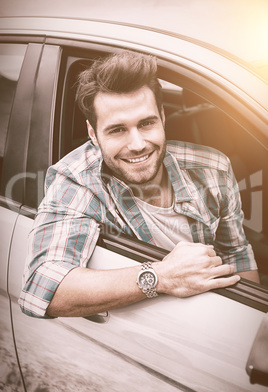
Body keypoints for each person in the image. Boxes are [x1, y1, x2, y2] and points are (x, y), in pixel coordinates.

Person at [19, 51, 259, 318]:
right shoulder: (77, 181)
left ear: (163, 118)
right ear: (93, 134)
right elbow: (41, 289)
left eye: (146, 123)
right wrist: (161, 276)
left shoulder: (213, 169)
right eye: (117, 129)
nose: (138, 144)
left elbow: (236, 253)